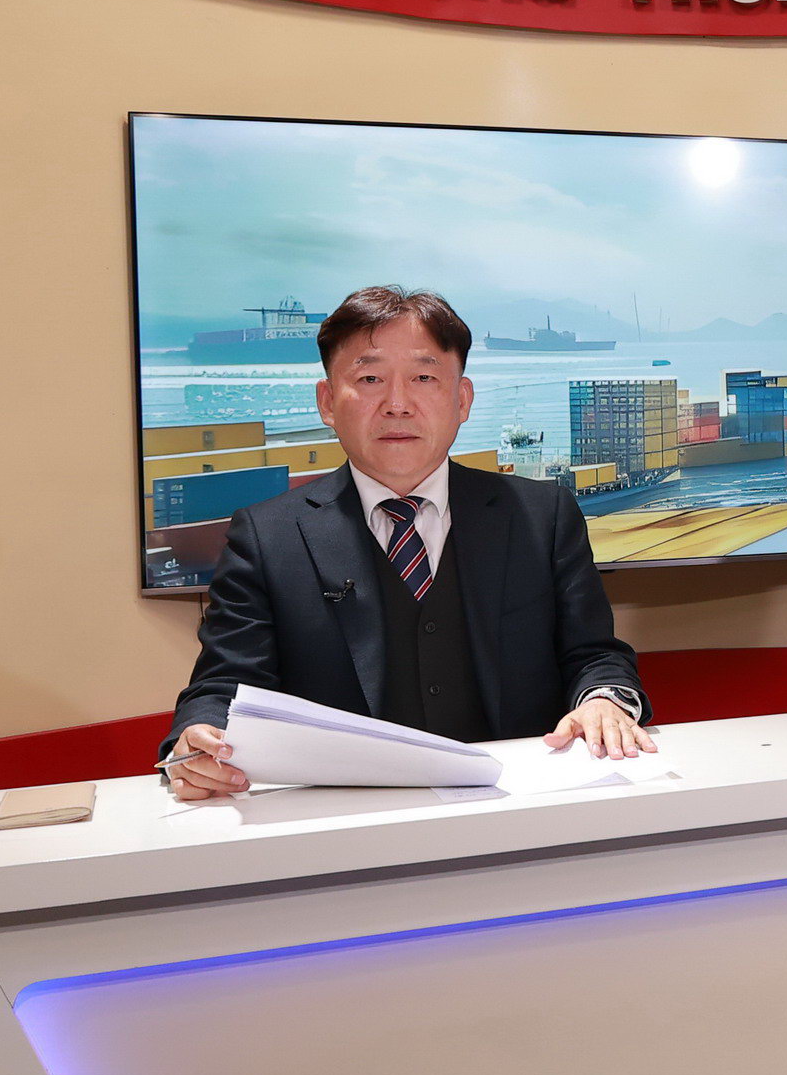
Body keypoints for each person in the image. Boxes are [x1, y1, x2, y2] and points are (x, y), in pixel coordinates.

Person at [158, 286, 653, 800]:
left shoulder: (543, 515)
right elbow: (224, 688)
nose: (397, 405)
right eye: (369, 379)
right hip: (344, 820)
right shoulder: (266, 536)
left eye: (424, 378)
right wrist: (198, 741)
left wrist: (603, 702)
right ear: (327, 402)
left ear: (462, 400)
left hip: (523, 808)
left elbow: (595, 656)